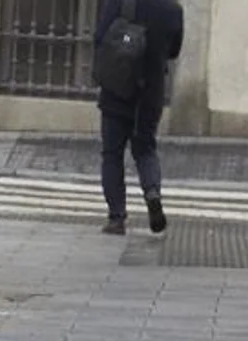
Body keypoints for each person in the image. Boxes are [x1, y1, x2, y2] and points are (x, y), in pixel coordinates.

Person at [94, 0, 184, 236]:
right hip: (150, 92)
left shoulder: (120, 2)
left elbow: (100, 36)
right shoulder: (173, 9)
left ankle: (117, 218)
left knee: (112, 153)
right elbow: (174, 51)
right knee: (145, 148)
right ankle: (152, 192)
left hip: (117, 88)